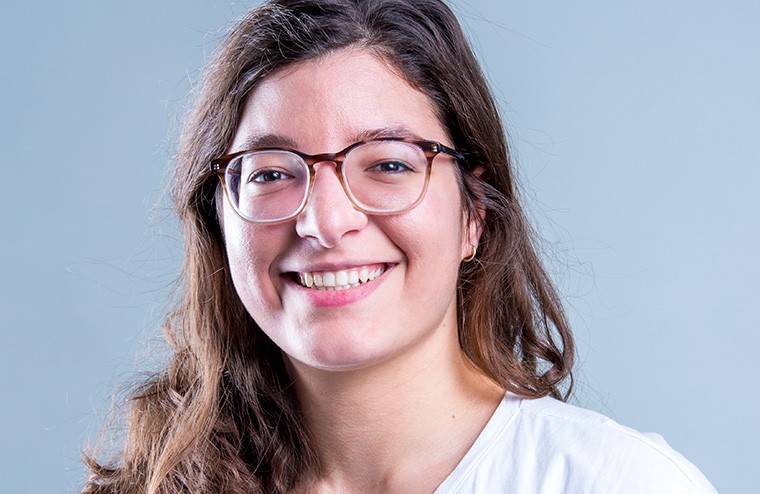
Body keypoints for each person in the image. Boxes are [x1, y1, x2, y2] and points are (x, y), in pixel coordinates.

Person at [83, 1, 717, 492]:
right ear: (219, 223)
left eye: (387, 165)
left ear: (474, 216)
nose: (325, 223)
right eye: (272, 172)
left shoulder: (618, 483)